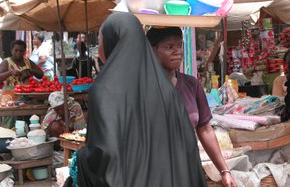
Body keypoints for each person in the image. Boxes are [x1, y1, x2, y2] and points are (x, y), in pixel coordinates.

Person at [66, 12, 206, 187]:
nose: (99, 46)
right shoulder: (165, 88)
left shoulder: (105, 90)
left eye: (100, 40)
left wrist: (81, 159)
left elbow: (103, 157)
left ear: (112, 43)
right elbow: (186, 147)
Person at [147, 27, 237, 187]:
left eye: (180, 46)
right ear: (153, 50)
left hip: (188, 170)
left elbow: (205, 129)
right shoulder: (143, 88)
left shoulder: (191, 84)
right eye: (169, 47)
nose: (178, 52)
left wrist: (224, 170)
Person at [0, 40, 44, 128]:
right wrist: (10, 72)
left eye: (21, 51)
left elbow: (40, 74)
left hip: (27, 94)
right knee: (11, 117)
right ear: (11, 50)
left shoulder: (27, 61)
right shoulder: (6, 62)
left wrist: (31, 71)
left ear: (24, 51)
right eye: (16, 50)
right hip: (10, 94)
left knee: (29, 117)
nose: (19, 53)